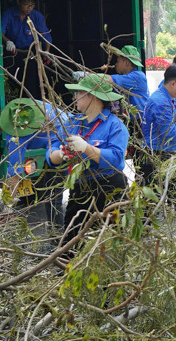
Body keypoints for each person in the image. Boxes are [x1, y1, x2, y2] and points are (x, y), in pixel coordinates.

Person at [46, 73, 129, 258]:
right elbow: (51, 155)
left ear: (92, 96)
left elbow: (115, 159)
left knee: (109, 243)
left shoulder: (115, 125)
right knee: (71, 241)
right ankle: (67, 280)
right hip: (81, 188)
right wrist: (61, 154)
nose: (75, 98)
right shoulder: (73, 123)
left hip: (109, 188)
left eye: (79, 93)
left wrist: (87, 148)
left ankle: (109, 284)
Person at [0, 99, 67, 224]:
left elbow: (14, 174)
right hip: (71, 130)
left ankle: (57, 238)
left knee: (53, 197)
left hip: (63, 146)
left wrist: (7, 208)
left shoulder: (14, 133)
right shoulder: (18, 108)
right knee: (51, 190)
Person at [142, 63, 176, 206]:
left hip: (160, 151)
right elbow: (168, 132)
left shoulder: (164, 97)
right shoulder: (162, 102)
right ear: (173, 84)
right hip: (158, 154)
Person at [0, 0, 53, 99]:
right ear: (18, 2)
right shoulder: (8, 14)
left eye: (32, 5)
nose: (29, 8)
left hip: (31, 54)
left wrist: (46, 52)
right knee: (13, 82)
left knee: (32, 84)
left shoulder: (37, 16)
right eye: (26, 5)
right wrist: (8, 41)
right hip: (13, 52)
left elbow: (46, 35)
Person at [102, 45, 149, 137]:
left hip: (141, 122)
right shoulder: (121, 83)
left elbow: (108, 79)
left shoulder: (138, 76)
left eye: (118, 61)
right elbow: (116, 107)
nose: (115, 64)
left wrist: (87, 75)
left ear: (127, 62)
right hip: (130, 122)